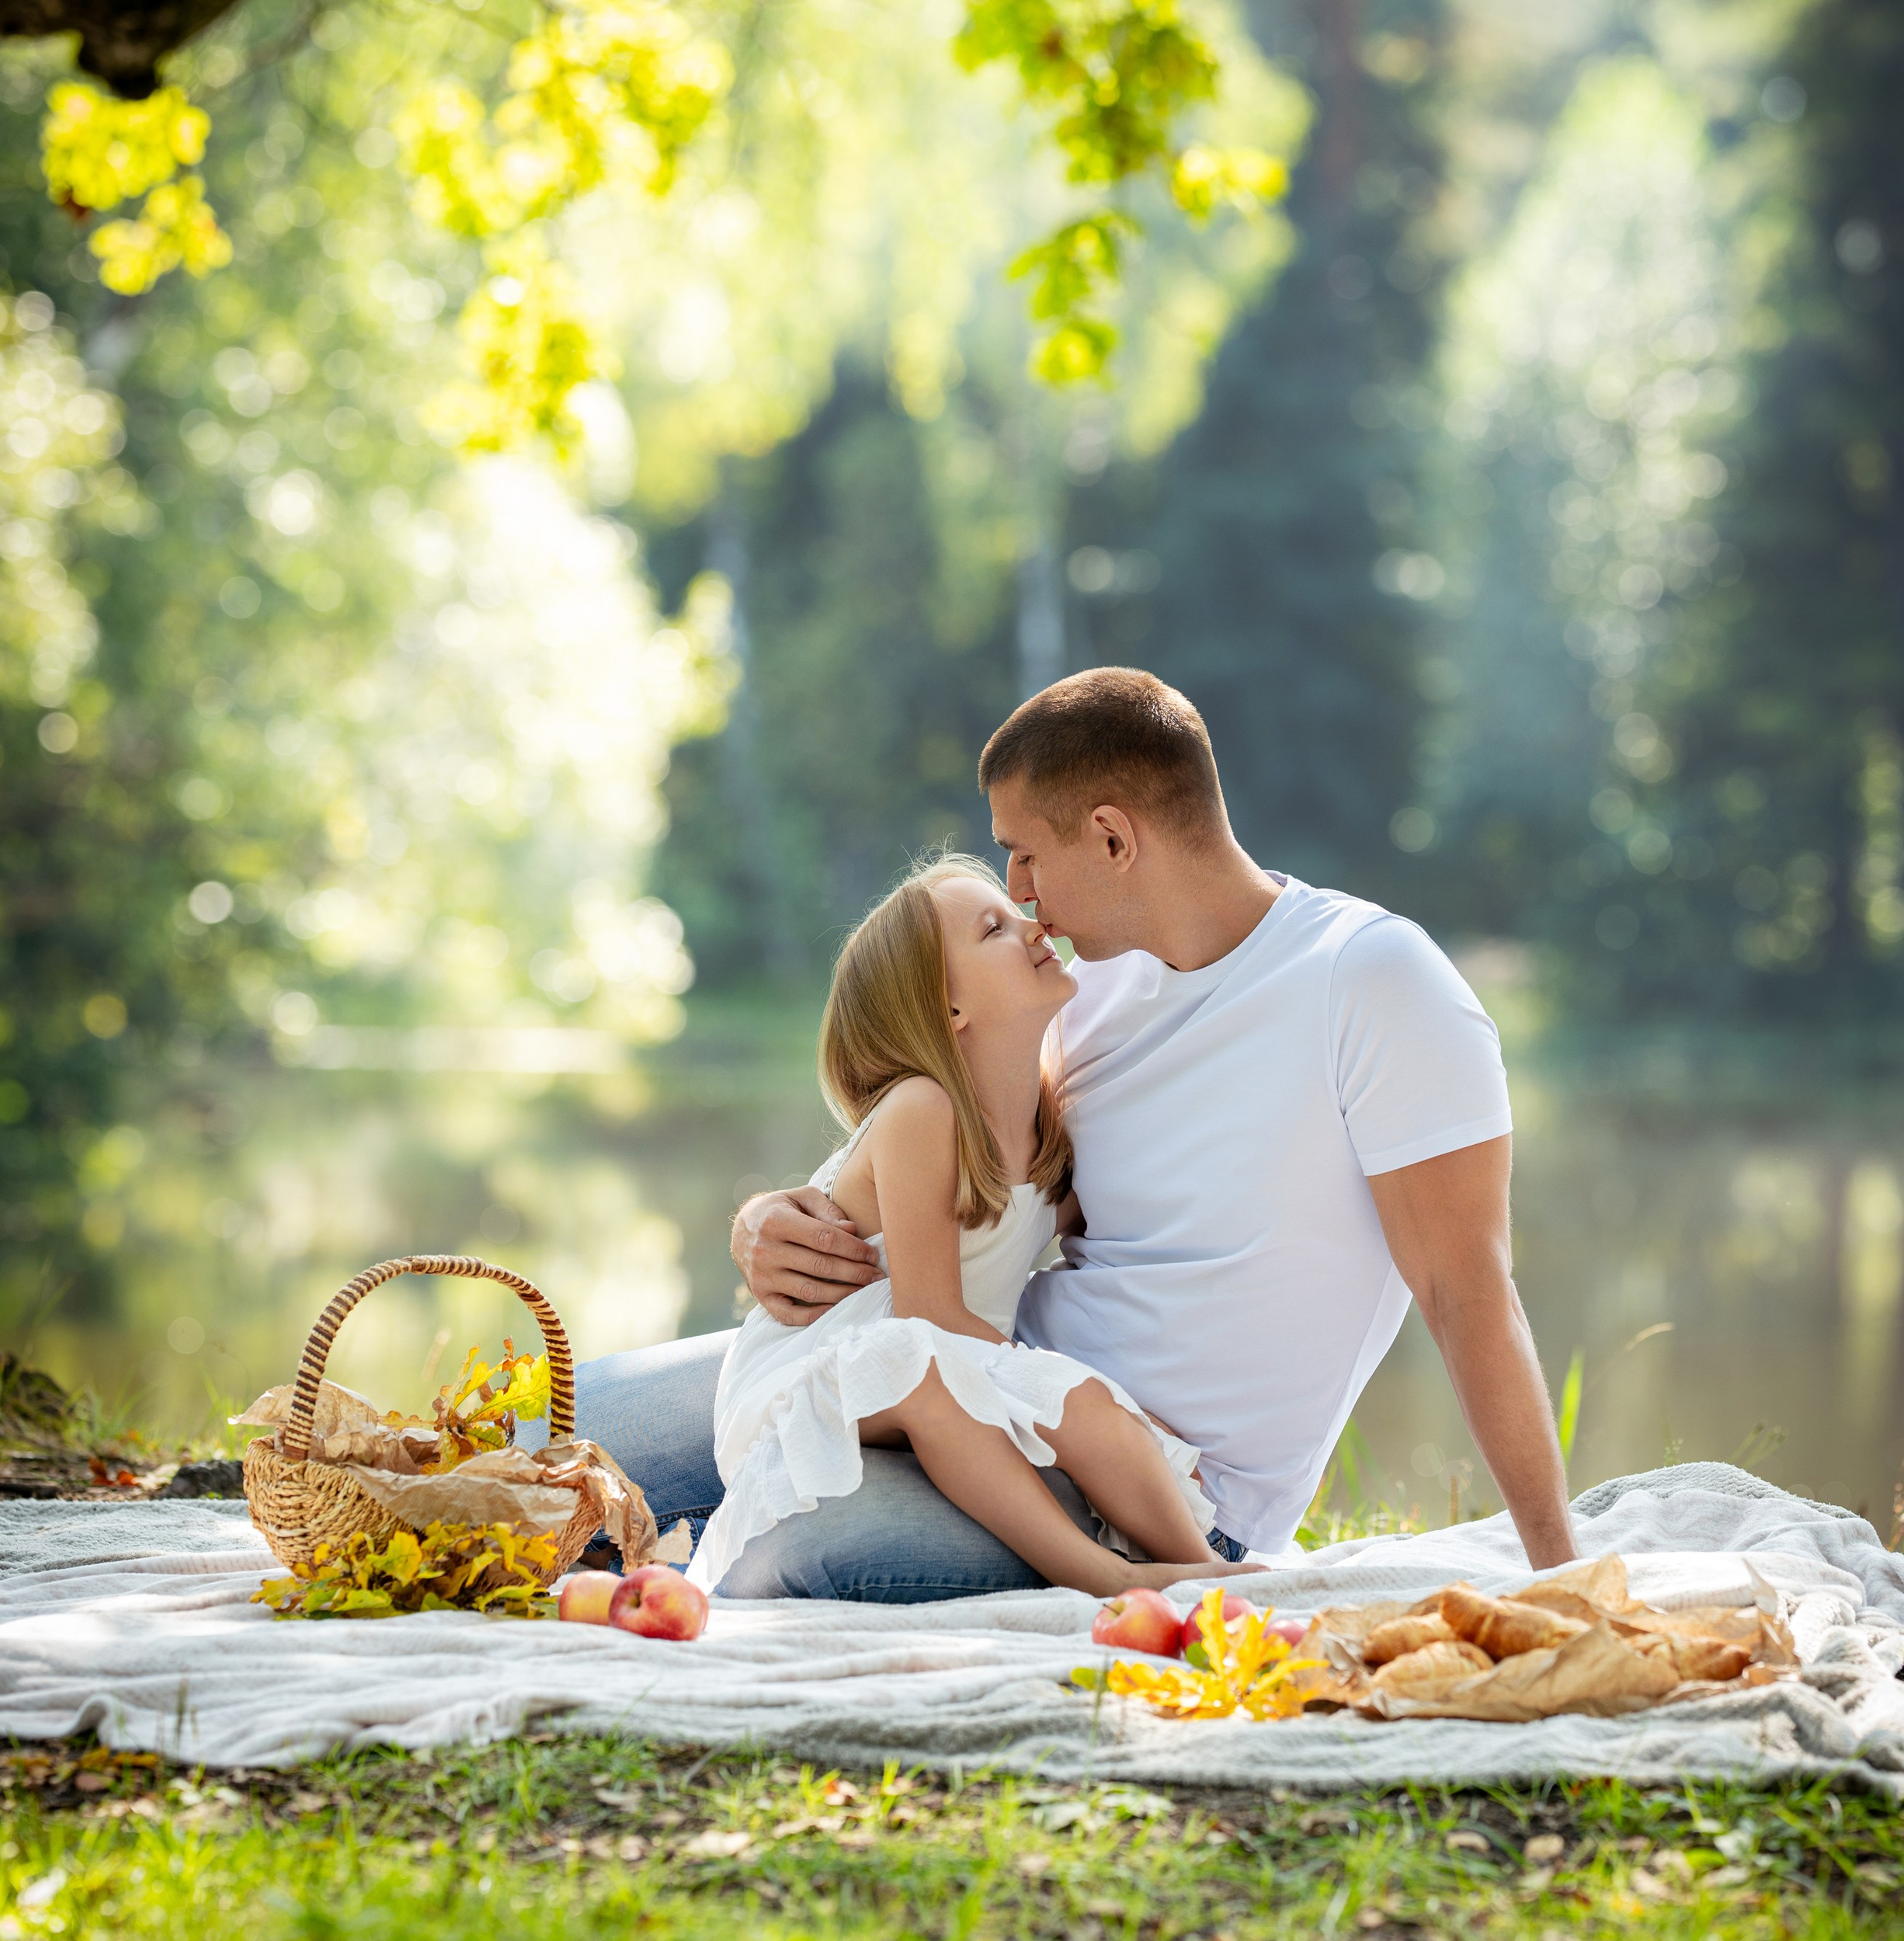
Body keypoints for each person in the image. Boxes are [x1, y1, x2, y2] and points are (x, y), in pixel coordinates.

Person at [577, 666, 1578, 1595]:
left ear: (1111, 838)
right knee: (564, 1419)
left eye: (1024, 853)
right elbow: (930, 1135)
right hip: (957, 1367)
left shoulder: (1369, 981)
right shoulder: (1078, 984)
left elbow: (1467, 1291)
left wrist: (1558, 1577)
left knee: (798, 1554)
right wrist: (763, 1222)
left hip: (1151, 1491)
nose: (1016, 891)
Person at [689, 856, 1228, 1600]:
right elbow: (928, 1316)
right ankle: (1099, 1576)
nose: (1032, 925)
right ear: (949, 1012)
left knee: (1084, 1403)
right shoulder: (923, 1109)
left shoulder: (1046, 1124)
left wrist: (1104, 1408)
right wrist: (1054, 1381)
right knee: (946, 1373)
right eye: (994, 928)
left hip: (943, 1350)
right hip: (819, 1368)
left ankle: (1208, 1572)